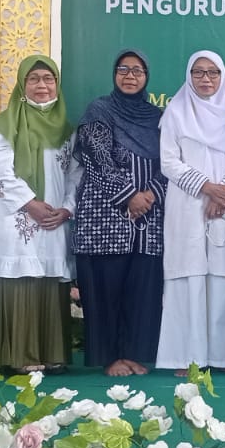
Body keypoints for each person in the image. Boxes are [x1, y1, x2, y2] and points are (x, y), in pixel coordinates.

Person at [72, 49, 167, 377]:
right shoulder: (99, 110)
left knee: (141, 290)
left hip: (149, 217)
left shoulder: (158, 117)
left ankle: (133, 353)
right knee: (105, 288)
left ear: (146, 77)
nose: (130, 76)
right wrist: (129, 196)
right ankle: (110, 357)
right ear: (114, 74)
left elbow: (171, 161)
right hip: (105, 214)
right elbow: (97, 157)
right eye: (123, 69)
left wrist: (150, 194)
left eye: (137, 70)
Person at [157, 50, 225, 374]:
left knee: (224, 277)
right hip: (187, 204)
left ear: (222, 76)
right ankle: (188, 359)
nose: (206, 78)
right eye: (198, 72)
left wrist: (223, 193)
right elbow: (169, 161)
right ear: (189, 75)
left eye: (213, 72)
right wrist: (207, 187)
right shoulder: (175, 111)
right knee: (189, 276)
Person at [0, 56, 79, 374]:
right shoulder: (5, 123)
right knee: (20, 281)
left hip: (54, 218)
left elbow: (75, 175)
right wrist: (30, 203)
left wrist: (67, 208)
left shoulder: (66, 129)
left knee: (50, 281)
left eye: (48, 79)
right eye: (34, 79)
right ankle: (19, 354)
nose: (42, 85)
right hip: (17, 217)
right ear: (22, 84)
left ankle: (51, 352)